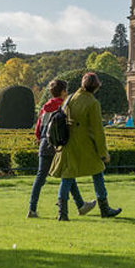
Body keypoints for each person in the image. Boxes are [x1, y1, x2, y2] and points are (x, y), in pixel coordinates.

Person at [50, 72, 121, 221]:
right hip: (85, 144)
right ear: (96, 87)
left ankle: (62, 213)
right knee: (98, 172)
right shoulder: (92, 103)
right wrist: (103, 152)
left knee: (67, 177)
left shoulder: (71, 97)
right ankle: (104, 208)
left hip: (68, 142)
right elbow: (98, 131)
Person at [28, 79, 96, 219]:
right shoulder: (65, 106)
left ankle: (32, 209)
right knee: (68, 175)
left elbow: (38, 129)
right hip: (60, 146)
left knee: (40, 178)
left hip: (45, 144)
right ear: (63, 92)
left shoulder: (44, 107)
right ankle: (80, 205)